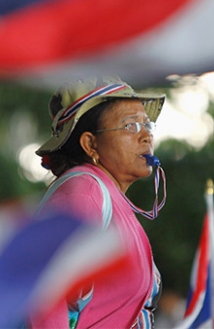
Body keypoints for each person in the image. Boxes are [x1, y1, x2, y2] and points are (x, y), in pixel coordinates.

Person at [31, 76, 166, 328]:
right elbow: (44, 295)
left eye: (146, 125)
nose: (147, 135)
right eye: (130, 126)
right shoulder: (83, 191)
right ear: (91, 144)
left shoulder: (111, 198)